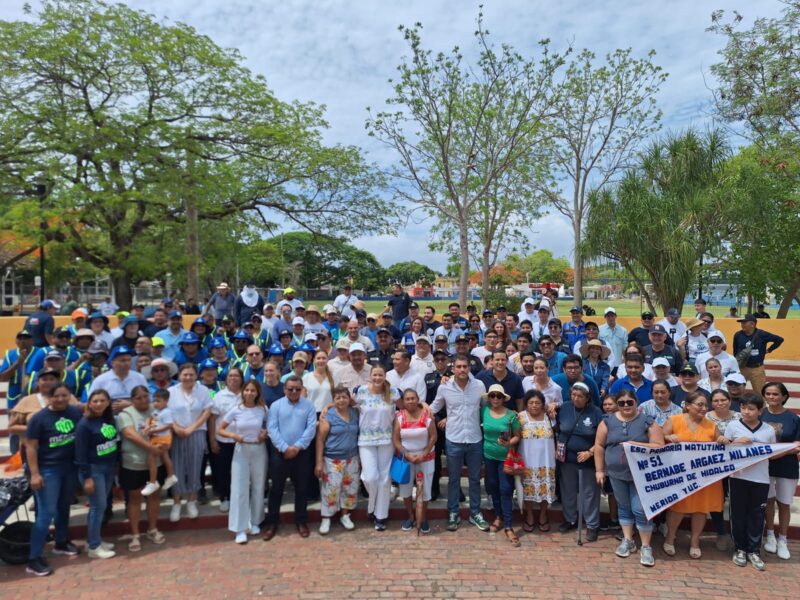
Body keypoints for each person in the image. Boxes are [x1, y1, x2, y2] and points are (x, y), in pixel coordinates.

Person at [595, 389, 665, 567]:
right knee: (624, 506)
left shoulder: (647, 421)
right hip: (616, 473)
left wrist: (636, 445)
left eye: (629, 402)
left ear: (636, 402)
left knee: (640, 509)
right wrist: (599, 470)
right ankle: (628, 540)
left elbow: (659, 445)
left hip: (641, 475)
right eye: (621, 403)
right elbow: (599, 446)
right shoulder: (607, 421)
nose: (626, 405)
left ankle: (646, 546)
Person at [25, 383, 83, 576]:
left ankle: (61, 542)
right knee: (45, 514)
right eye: (56, 396)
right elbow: (31, 447)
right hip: (48, 470)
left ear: (69, 396)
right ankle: (34, 558)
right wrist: (34, 474)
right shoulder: (38, 419)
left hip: (69, 468)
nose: (60, 399)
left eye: (64, 396)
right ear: (49, 397)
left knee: (64, 507)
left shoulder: (74, 413)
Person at [429, 355, 490, 533]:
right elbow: (434, 407)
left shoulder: (479, 386)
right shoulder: (445, 387)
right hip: (454, 439)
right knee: (454, 479)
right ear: (453, 368)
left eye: (465, 367)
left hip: (475, 439)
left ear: (468, 369)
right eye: (459, 367)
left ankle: (475, 512)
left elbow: (485, 407)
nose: (462, 370)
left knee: (474, 479)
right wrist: (415, 415)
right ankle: (453, 512)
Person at [661, 392, 723, 559]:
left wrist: (722, 440)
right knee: (678, 507)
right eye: (700, 405)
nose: (704, 408)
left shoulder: (711, 426)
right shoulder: (674, 420)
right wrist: (668, 437)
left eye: (705, 405)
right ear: (687, 405)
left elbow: (720, 443)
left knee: (701, 509)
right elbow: (659, 437)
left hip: (704, 476)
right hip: (680, 474)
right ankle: (670, 537)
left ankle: (695, 541)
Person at [721, 394, 777, 570]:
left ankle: (753, 550)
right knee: (738, 514)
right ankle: (739, 549)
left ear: (760, 411)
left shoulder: (768, 430)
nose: (746, 412)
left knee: (757, 515)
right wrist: (736, 441)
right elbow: (725, 448)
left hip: (760, 478)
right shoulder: (733, 425)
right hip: (738, 477)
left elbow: (772, 451)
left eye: (751, 409)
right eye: (744, 407)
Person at [264, 376, 317, 540]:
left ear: (302, 390)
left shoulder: (309, 406)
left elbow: (310, 429)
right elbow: (272, 429)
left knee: (301, 489)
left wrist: (297, 447)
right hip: (280, 453)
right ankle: (272, 522)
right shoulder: (276, 406)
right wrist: (285, 448)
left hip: (301, 453)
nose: (294, 391)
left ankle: (301, 521)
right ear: (284, 389)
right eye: (290, 388)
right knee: (276, 490)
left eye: (297, 389)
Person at [216, 379, 269, 544]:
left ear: (257, 393)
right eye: (247, 390)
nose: (249, 393)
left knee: (258, 486)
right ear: (242, 392)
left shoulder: (263, 409)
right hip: (241, 450)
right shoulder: (236, 410)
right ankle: (240, 528)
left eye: (253, 391)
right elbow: (220, 429)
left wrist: (264, 434)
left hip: (259, 450)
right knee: (239, 488)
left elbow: (269, 426)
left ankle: (255, 521)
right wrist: (234, 436)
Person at [117, 384, 167, 552]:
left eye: (146, 396)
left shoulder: (157, 409)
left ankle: (152, 529)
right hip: (133, 463)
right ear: (132, 400)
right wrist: (150, 447)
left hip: (155, 463)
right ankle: (135, 534)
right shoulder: (125, 414)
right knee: (134, 499)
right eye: (138, 398)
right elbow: (130, 434)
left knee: (154, 497)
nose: (143, 400)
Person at [74, 389, 120, 560]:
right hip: (94, 470)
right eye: (95, 401)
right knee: (97, 507)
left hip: (108, 468)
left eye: (102, 400)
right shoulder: (84, 424)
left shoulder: (108, 419)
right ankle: (94, 546)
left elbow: (113, 443)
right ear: (89, 403)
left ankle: (95, 539)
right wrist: (87, 478)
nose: (99, 404)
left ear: (108, 402)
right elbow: (80, 454)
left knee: (101, 506)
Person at [555, 382, 603, 542]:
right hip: (566, 458)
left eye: (580, 396)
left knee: (589, 493)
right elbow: (558, 428)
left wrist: (590, 452)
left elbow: (602, 437)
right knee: (568, 491)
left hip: (587, 459)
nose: (576, 398)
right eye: (573, 395)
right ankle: (570, 519)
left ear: (587, 398)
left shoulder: (595, 412)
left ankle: (592, 525)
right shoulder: (564, 408)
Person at [168, 363, 213, 522]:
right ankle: (177, 503)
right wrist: (177, 428)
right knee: (177, 468)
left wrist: (192, 428)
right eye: (185, 374)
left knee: (195, 467)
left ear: (196, 376)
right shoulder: (171, 392)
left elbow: (207, 411)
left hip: (197, 432)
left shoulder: (203, 390)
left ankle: (192, 501)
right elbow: (165, 413)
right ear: (179, 376)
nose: (188, 377)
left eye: (191, 374)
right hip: (176, 434)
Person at [760, 382, 800, 561]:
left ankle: (782, 539)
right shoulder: (760, 415)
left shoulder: (794, 419)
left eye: (775, 394)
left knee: (784, 503)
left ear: (784, 397)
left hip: (787, 466)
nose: (771, 397)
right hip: (764, 466)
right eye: (768, 394)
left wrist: (778, 451)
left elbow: (797, 445)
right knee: (768, 501)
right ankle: (769, 535)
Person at [315, 386, 360, 535]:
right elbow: (320, 440)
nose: (341, 400)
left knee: (350, 488)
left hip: (352, 457)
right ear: (333, 400)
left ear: (349, 399)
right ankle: (326, 517)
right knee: (331, 488)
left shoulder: (355, 413)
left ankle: (345, 515)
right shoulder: (328, 416)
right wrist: (319, 462)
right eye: (338, 398)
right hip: (332, 458)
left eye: (344, 397)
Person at [481, 384, 521, 546]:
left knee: (505, 488)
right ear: (489, 398)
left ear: (503, 398)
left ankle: (509, 525)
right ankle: (498, 515)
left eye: (499, 396)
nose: (495, 398)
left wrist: (508, 443)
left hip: (506, 457)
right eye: (492, 396)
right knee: (492, 485)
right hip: (489, 455)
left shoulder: (511, 415)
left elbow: (518, 435)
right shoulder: (483, 411)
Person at [393, 388, 436, 534]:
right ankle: (411, 517)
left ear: (418, 399)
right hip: (406, 459)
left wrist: (424, 454)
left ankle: (422, 518)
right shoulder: (399, 417)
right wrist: (407, 454)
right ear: (403, 402)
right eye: (407, 399)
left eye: (413, 398)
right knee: (405, 490)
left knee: (424, 490)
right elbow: (396, 439)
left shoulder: (427, 415)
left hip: (426, 458)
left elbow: (433, 437)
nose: (410, 401)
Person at [705, 389, 740, 550]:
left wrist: (731, 440)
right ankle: (721, 533)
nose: (720, 403)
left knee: (736, 500)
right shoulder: (706, 417)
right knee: (717, 500)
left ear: (729, 401)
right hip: (713, 467)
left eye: (723, 400)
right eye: (716, 401)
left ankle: (737, 534)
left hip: (737, 466)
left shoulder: (739, 416)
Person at [517, 390, 556, 533]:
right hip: (527, 460)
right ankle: (529, 516)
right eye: (531, 402)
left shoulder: (549, 417)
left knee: (546, 488)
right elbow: (514, 437)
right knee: (528, 489)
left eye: (538, 403)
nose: (534, 405)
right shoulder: (520, 417)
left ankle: (543, 515)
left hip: (547, 460)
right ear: (526, 404)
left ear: (542, 404)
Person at [208, 368, 243, 512]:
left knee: (241, 472)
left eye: (236, 376)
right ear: (226, 379)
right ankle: (225, 498)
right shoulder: (219, 396)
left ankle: (240, 498)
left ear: (241, 378)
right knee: (223, 472)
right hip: (223, 441)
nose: (233, 378)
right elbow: (212, 420)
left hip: (241, 441)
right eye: (230, 376)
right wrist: (212, 441)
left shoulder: (246, 394)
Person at [732, 314, 784, 395]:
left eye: (744, 322)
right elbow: (735, 351)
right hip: (742, 368)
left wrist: (769, 350)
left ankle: (762, 408)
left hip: (757, 369)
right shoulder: (738, 335)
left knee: (760, 394)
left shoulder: (762, 334)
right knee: (737, 393)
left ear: (752, 324)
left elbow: (779, 339)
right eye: (741, 322)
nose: (742, 324)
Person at [140, 389, 179, 496]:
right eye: (154, 401)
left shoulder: (167, 412)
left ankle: (153, 482)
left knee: (152, 457)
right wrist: (148, 426)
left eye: (158, 401)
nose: (155, 403)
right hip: (156, 438)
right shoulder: (157, 411)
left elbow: (168, 425)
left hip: (162, 439)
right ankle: (171, 476)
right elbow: (150, 418)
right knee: (165, 457)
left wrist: (153, 430)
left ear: (166, 401)